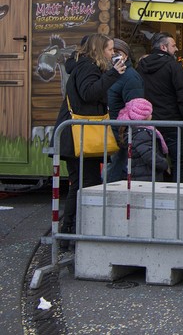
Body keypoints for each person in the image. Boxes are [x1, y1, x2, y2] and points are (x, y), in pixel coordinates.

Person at [55, 34, 125, 247]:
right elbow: (89, 93)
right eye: (110, 49)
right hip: (79, 134)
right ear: (98, 49)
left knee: (81, 183)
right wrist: (113, 74)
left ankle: (69, 232)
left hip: (79, 134)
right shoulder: (87, 67)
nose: (112, 53)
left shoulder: (82, 66)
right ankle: (74, 232)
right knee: (85, 183)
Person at [137, 32, 183, 183]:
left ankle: (158, 197)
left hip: (150, 122)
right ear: (163, 47)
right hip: (174, 123)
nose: (176, 49)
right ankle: (182, 197)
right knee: (181, 162)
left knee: (155, 162)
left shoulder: (141, 67)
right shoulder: (174, 67)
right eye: (173, 46)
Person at [105, 38, 144, 183]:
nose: (113, 55)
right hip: (113, 131)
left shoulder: (130, 77)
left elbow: (135, 107)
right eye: (111, 51)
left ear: (126, 56)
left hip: (120, 133)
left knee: (114, 173)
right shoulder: (111, 73)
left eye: (117, 52)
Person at [117, 98, 169, 181]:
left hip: (140, 174)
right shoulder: (142, 133)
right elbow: (148, 155)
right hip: (146, 177)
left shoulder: (133, 130)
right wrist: (164, 164)